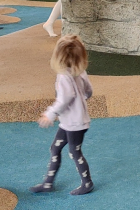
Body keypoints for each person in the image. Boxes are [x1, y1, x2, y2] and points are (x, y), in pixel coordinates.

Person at [31, 35, 95, 195]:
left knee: (75, 152)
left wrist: (49, 114)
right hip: (71, 122)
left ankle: (87, 183)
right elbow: (89, 91)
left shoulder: (63, 77)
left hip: (74, 124)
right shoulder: (80, 71)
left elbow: (64, 100)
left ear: (58, 57)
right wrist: (81, 101)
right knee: (55, 148)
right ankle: (48, 183)